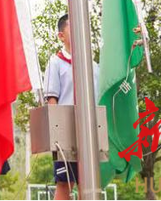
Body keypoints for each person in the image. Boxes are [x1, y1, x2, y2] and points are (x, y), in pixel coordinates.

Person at [43, 13, 100, 201]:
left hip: (89, 132)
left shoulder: (93, 66)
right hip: (65, 134)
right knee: (65, 182)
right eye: (72, 28)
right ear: (61, 36)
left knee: (89, 182)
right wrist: (56, 137)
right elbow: (52, 100)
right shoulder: (55, 63)